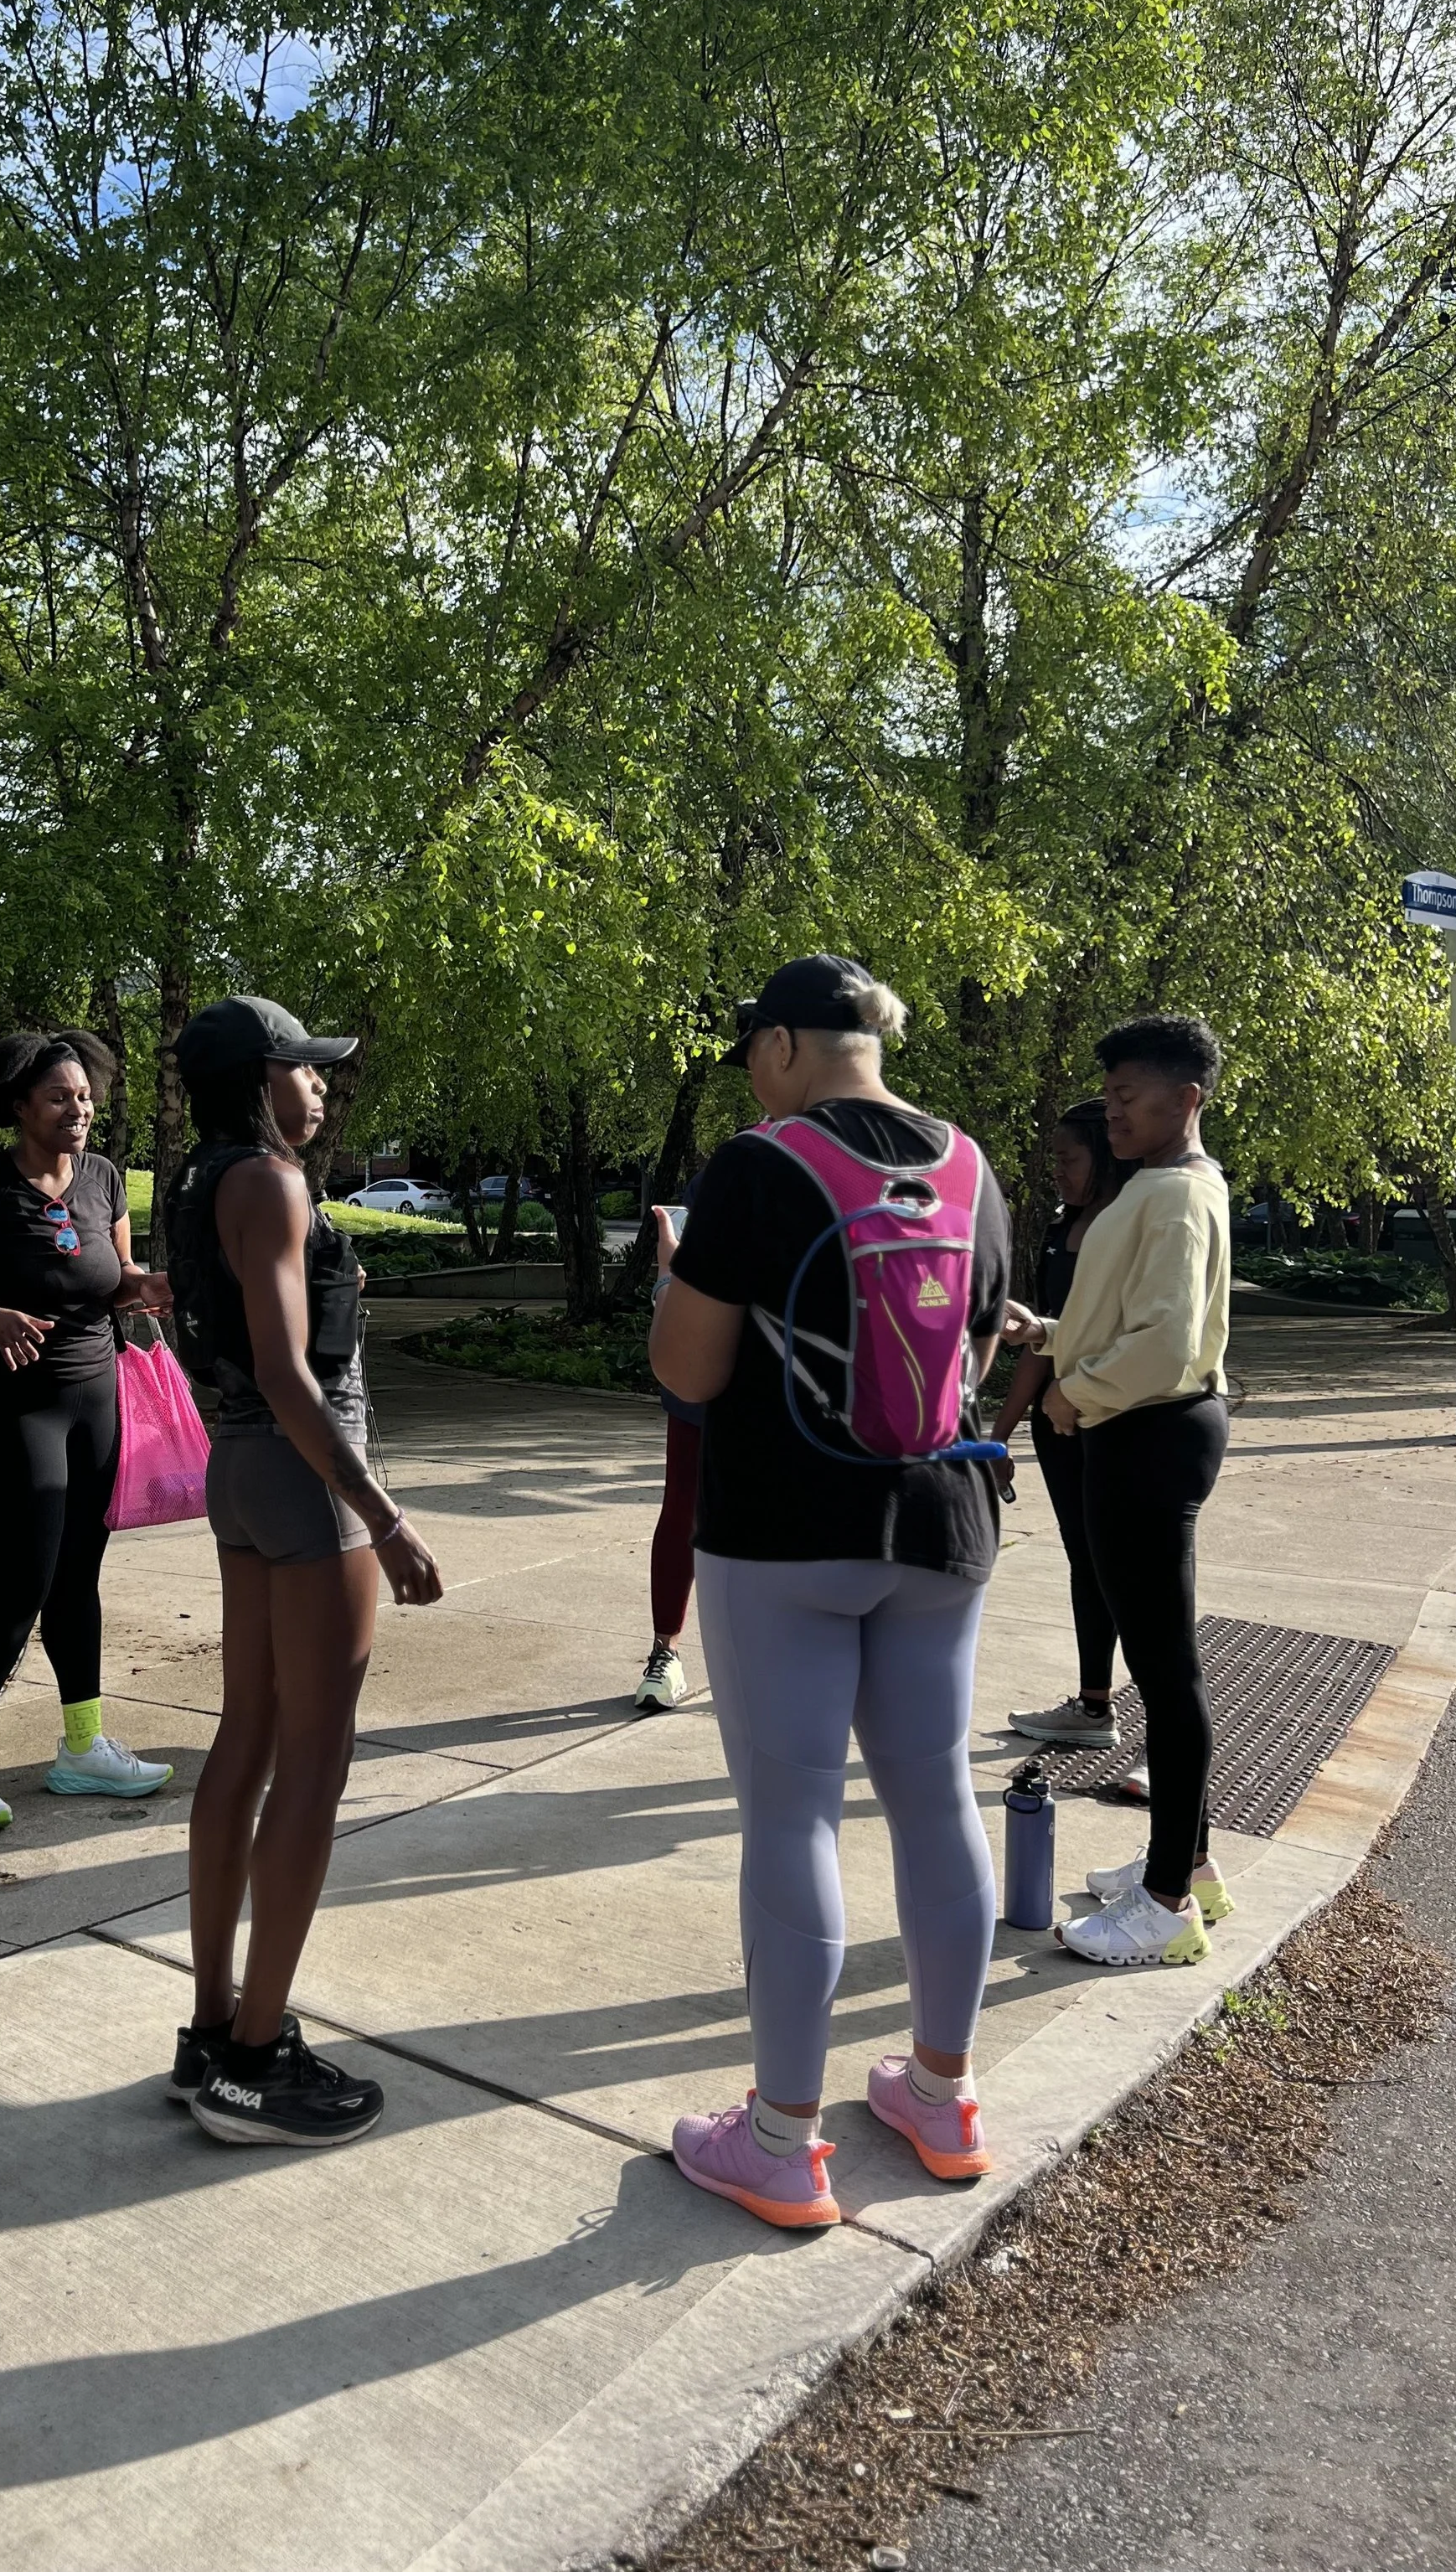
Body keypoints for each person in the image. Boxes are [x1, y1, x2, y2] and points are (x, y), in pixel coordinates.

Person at [650, 955, 1011, 2230]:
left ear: (795, 1046)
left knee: (794, 1815)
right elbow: (968, 1353)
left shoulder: (759, 1165)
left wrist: (674, 1281)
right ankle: (943, 2094)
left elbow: (687, 1373)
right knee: (936, 1792)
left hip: (784, 1533)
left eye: (756, 1043)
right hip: (941, 1520)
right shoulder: (973, 1166)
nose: (751, 1066)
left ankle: (783, 2140)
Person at [163, 995, 443, 2146]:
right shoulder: (269, 1184)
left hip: (239, 1472)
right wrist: (380, 1516)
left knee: (246, 1741)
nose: (323, 1089)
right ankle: (254, 2069)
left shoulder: (197, 1180)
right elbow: (289, 1372)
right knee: (313, 1769)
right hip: (303, 1477)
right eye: (306, 1070)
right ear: (257, 1078)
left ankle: (213, 2031)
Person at [1003, 1013, 1233, 1968]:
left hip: (1144, 1435)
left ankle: (1167, 1904)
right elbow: (1123, 1322)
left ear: (1185, 1099)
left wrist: (1070, 1393)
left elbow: (1165, 1348)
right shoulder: (1160, 1188)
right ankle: (1190, 1863)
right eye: (1107, 1099)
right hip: (1140, 1429)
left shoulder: (1177, 1195)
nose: (1113, 1114)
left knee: (1166, 1674)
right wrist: (1048, 1335)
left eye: (1127, 1098)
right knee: (1160, 1661)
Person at [0, 1028, 174, 1834]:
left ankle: (84, 1749)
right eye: (60, 1095)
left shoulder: (101, 1180)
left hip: (97, 1396)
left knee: (78, 1576)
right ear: (19, 1106)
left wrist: (146, 1289)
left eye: (86, 1094)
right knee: (21, 1580)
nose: (79, 1107)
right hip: (9, 1407)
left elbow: (114, 1279)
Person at [992, 1101, 1137, 1751]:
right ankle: (1094, 1703)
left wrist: (1077, 1392)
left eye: (1067, 1158)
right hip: (1058, 1427)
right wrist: (1000, 1433)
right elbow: (1043, 1343)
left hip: (1114, 1421)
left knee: (1126, 1568)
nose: (1056, 1170)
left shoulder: (1131, 1228)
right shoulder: (1059, 1232)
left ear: (1103, 1158)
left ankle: (1161, 1740)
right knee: (1085, 1559)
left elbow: (1130, 1335)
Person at [636, 1173, 703, 1712]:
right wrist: (668, 1282)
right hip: (701, 1387)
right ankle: (665, 1651)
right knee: (683, 1507)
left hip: (785, 1395)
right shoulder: (731, 1177)